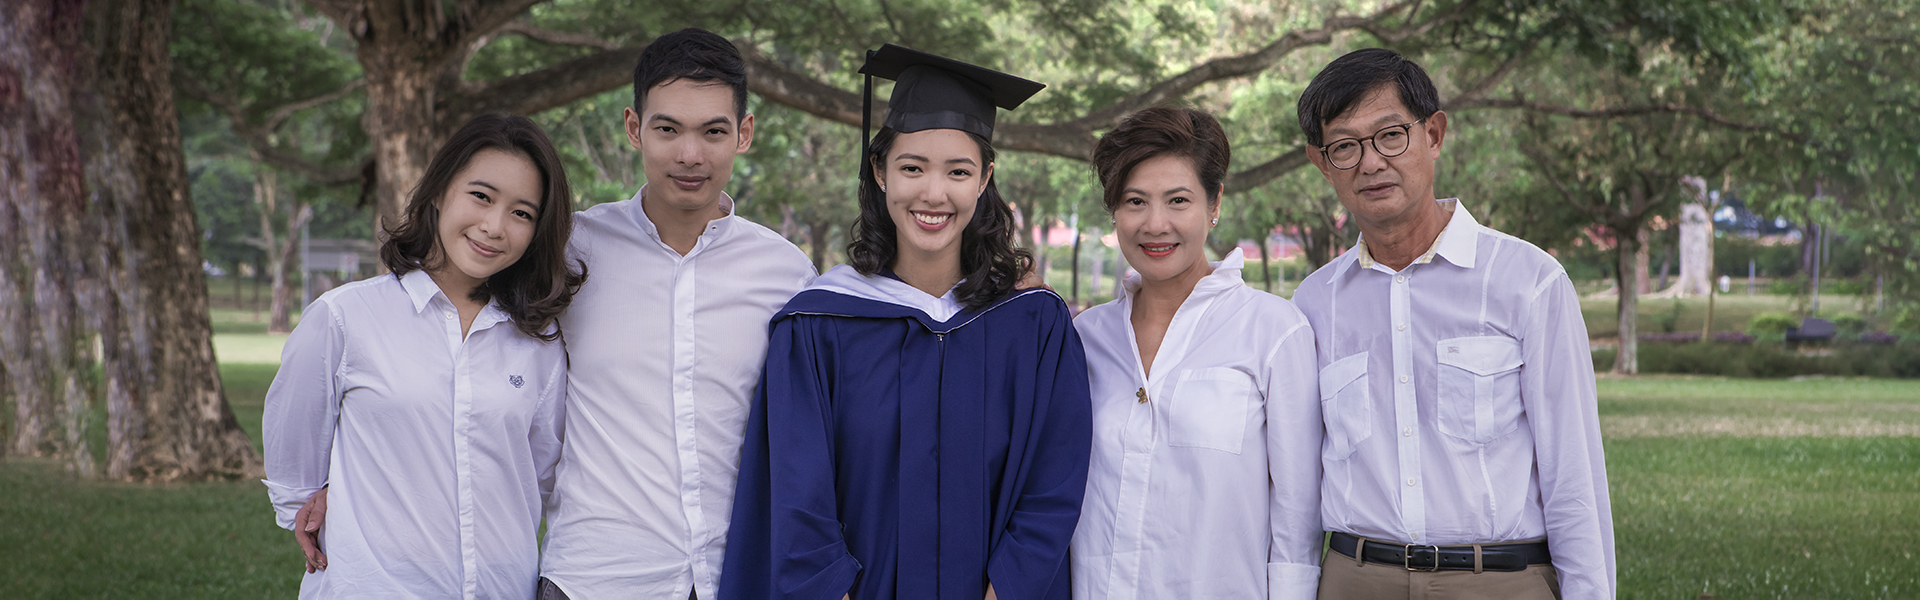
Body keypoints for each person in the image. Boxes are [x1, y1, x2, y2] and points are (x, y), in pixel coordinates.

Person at [718, 44, 1092, 600]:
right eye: (912, 167)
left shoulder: (1034, 327)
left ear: (985, 177)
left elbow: (1054, 483)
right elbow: (798, 492)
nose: (933, 193)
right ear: (880, 171)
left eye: (958, 171)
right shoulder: (818, 324)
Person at [1291, 48, 1614, 599]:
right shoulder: (1313, 303)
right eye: (1344, 146)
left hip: (1500, 581)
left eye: (1391, 135)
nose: (1371, 163)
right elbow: (1295, 486)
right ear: (1322, 163)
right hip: (1354, 580)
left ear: (1434, 135)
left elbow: (1574, 476)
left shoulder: (1528, 281)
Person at [534, 28, 816, 600]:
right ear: (635, 128)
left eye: (714, 131)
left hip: (737, 576)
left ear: (744, 133)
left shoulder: (787, 274)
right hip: (595, 579)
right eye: (668, 129)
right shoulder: (569, 253)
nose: (690, 155)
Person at [262, 113, 585, 599]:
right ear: (438, 192)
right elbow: (294, 478)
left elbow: (538, 479)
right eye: (481, 196)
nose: (494, 226)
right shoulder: (345, 317)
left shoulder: (539, 342)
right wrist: (334, 499)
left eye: (522, 213)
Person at [1069, 107, 1323, 599]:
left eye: (1178, 200)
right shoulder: (1085, 337)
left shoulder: (1273, 331)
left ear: (1214, 203)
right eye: (1135, 201)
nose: (1155, 223)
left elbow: (1298, 523)